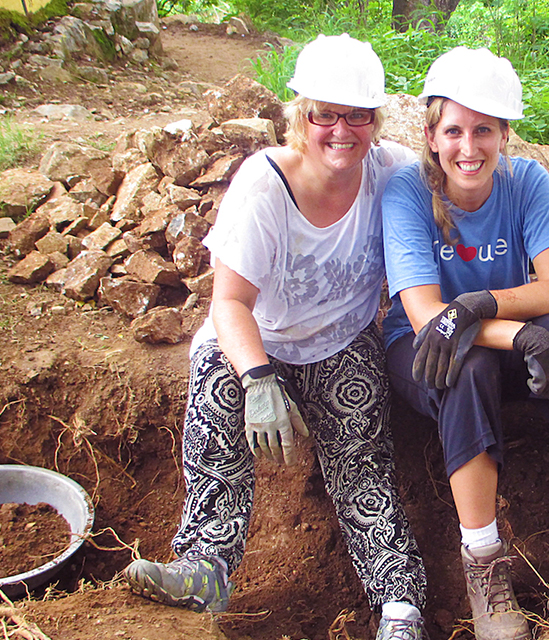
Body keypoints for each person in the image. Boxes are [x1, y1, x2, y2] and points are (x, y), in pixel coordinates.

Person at [122, 34, 430, 640]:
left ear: (375, 119)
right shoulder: (263, 187)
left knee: (362, 464)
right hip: (253, 343)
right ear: (300, 115)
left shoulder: (391, 172)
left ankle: (400, 604)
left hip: (341, 342)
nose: (341, 130)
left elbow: (460, 188)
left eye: (358, 116)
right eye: (325, 115)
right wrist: (258, 378)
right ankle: (206, 567)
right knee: (218, 423)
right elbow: (229, 302)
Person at [382, 47, 549, 640]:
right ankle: (484, 568)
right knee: (466, 363)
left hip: (489, 333)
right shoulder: (408, 190)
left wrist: (487, 305)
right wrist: (519, 333)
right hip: (425, 350)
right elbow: (426, 317)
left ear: (505, 134)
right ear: (430, 134)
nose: (468, 148)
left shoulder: (526, 183)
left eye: (484, 131)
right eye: (454, 131)